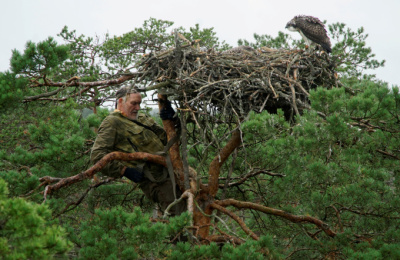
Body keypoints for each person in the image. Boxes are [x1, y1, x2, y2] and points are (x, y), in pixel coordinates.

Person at [90, 86, 185, 216]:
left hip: (175, 170)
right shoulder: (112, 122)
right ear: (120, 102)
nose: (138, 108)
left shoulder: (142, 118)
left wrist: (173, 118)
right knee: (180, 217)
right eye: (133, 103)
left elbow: (168, 140)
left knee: (197, 206)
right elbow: (97, 155)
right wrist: (124, 170)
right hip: (157, 181)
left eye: (139, 103)